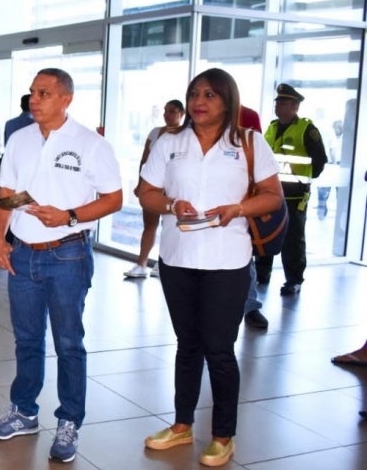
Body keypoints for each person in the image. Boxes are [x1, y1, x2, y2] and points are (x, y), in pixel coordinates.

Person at [138, 68, 283, 467]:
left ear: (227, 101)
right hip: (177, 259)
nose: (199, 102)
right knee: (187, 346)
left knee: (219, 350)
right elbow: (145, 191)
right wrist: (171, 204)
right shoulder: (170, 142)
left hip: (227, 261)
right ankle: (182, 425)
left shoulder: (249, 143)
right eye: (194, 94)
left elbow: (273, 196)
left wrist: (238, 208)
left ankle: (222, 435)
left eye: (210, 95)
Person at [0, 68, 122, 464]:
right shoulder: (20, 138)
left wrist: (70, 216)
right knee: (27, 339)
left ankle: (69, 421)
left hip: (68, 253)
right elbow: (7, 191)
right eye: (32, 92)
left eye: (44, 93)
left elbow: (113, 198)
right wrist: (0, 238)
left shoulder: (90, 143)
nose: (34, 99)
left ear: (66, 99)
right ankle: (24, 411)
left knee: (67, 343)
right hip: (24, 252)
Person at [255, 84, 327, 296]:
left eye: (283, 103)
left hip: (294, 196)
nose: (278, 106)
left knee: (293, 239)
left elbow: (320, 161)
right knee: (265, 233)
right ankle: (262, 274)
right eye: (277, 102)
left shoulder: (307, 130)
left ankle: (293, 280)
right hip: (269, 194)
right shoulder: (271, 127)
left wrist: (303, 180)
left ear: (295, 107)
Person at [124, 99, 185, 279]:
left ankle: (163, 263)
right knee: (149, 225)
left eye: (172, 111)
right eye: (166, 111)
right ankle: (141, 264)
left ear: (181, 114)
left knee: (171, 226)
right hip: (153, 186)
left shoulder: (185, 135)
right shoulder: (155, 132)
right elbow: (145, 160)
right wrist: (140, 183)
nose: (167, 115)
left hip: (173, 188)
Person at [239, 106, 269, 329]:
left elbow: (256, 159)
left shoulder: (248, 116)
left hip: (242, 203)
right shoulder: (197, 116)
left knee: (244, 254)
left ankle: (250, 305)